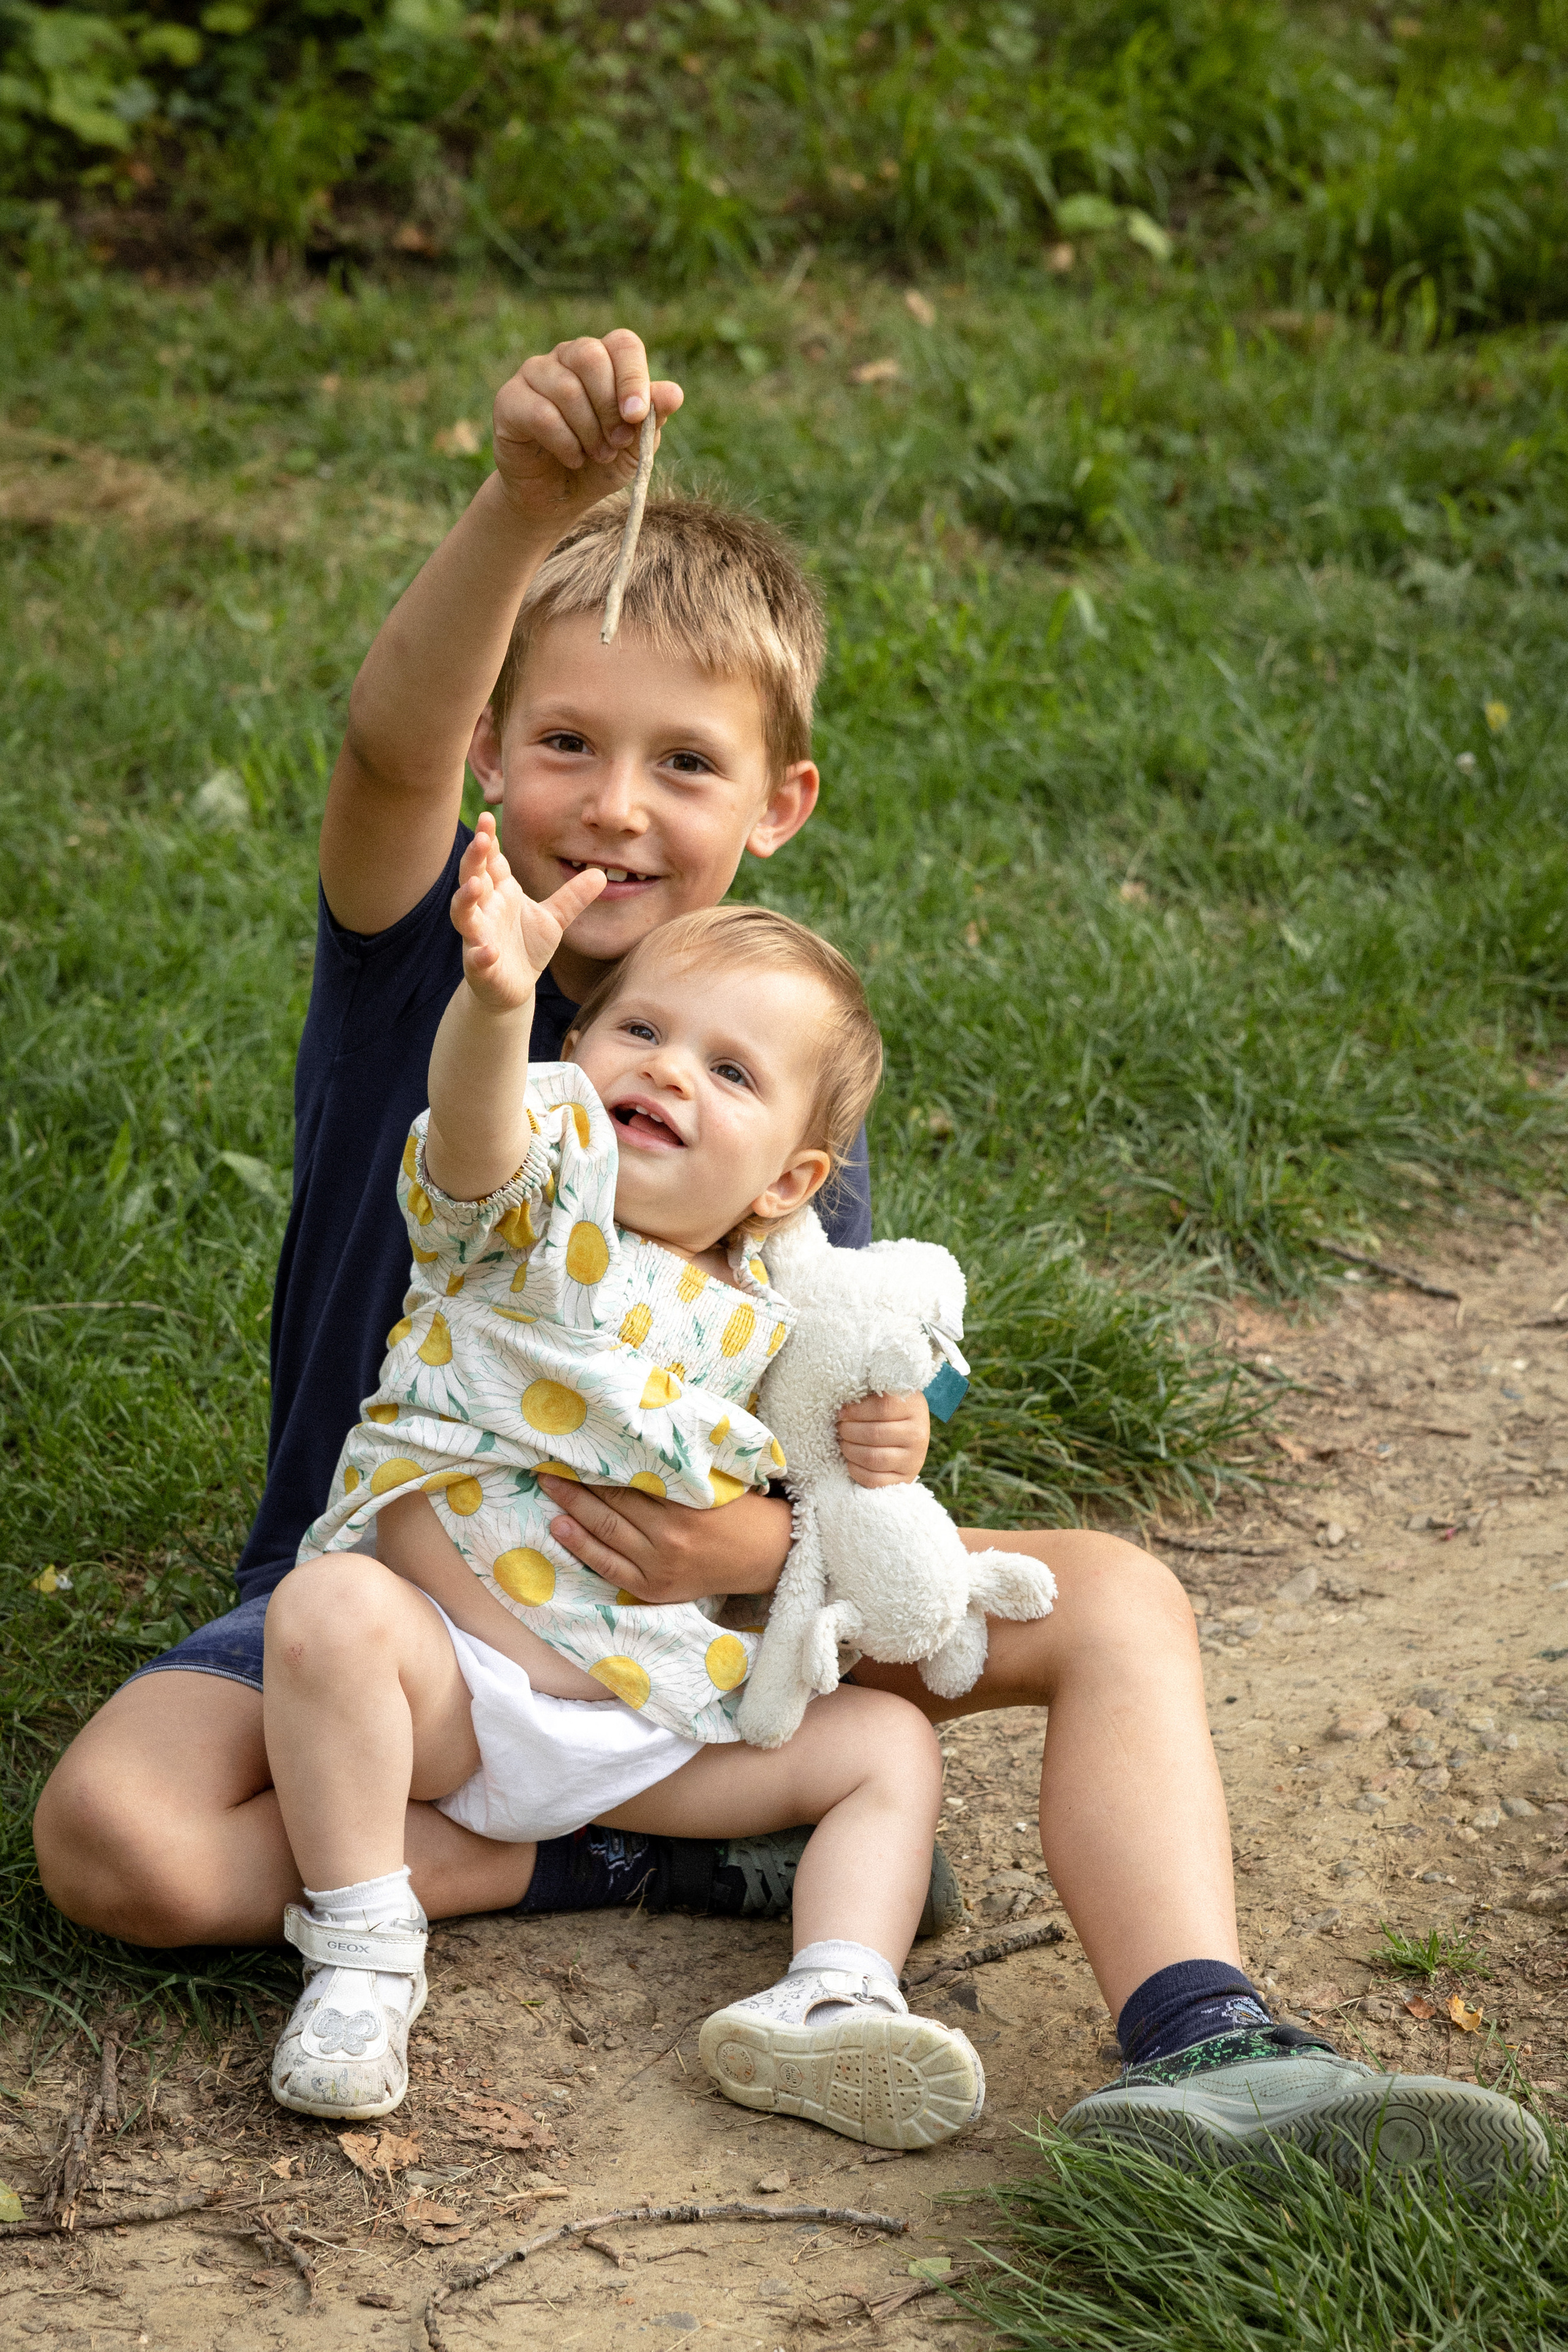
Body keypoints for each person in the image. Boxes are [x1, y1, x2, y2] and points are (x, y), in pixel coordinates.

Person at [32, 331, 1544, 2188]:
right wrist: (527, 508)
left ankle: (1207, 2040)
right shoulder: (440, 976)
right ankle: (640, 1864)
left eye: (687, 761)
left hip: (691, 1646)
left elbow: (850, 1472)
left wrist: (746, 1546)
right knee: (119, 1840)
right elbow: (383, 749)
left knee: (1125, 1601)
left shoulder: (777, 1099)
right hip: (400, 1616)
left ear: (779, 805)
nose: (618, 802)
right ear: (499, 763)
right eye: (567, 744)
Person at [266, 854, 989, 2145]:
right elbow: (474, 1139)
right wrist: (497, 1006)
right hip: (458, 1699)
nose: (665, 1071)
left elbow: (838, 1450)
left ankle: (833, 1992)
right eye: (640, 1032)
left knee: (890, 1751)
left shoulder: (780, 1311)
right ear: (575, 1057)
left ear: (786, 1182)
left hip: (655, 1712)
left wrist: (886, 1433)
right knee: (326, 1615)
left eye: (729, 1072)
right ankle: (365, 1957)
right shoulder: (539, 1216)